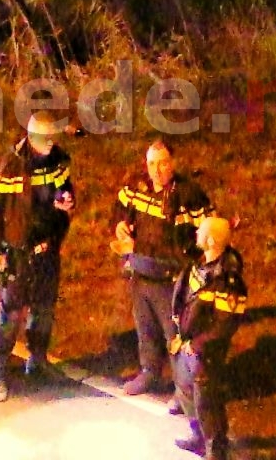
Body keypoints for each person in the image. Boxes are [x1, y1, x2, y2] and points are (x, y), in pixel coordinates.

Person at [0, 110, 76, 402]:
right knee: (11, 312)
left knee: (44, 309)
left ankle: (37, 359)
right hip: (17, 253)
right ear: (31, 137)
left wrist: (68, 202)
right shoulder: (10, 166)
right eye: (45, 138)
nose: (50, 143)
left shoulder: (58, 159)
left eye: (53, 137)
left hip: (47, 248)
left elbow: (65, 189)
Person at [113, 139, 215, 399]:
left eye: (163, 164)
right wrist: (119, 226)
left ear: (173, 163)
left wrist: (194, 268)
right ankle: (149, 372)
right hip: (140, 273)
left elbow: (209, 232)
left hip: (171, 280)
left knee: (176, 337)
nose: (157, 170)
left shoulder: (189, 195)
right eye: (151, 164)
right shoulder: (136, 187)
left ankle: (184, 392)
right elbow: (118, 213)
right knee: (145, 330)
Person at [171, 216, 247, 460]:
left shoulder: (228, 281)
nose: (196, 234)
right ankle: (198, 437)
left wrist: (197, 345)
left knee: (207, 401)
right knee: (185, 390)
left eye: (201, 231)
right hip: (186, 343)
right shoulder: (198, 262)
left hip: (205, 352)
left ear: (212, 240)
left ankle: (216, 450)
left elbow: (225, 325)